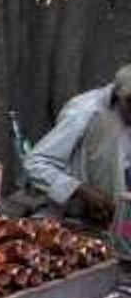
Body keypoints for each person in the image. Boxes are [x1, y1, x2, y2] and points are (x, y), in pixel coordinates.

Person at [23, 64, 131, 225]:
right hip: (68, 220)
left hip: (114, 224)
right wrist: (79, 189)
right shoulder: (85, 111)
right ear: (120, 96)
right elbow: (35, 163)